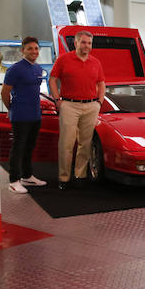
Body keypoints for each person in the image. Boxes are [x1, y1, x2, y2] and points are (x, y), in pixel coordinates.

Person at [49, 30, 105, 190]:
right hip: (69, 105)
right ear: (76, 43)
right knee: (66, 143)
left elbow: (101, 83)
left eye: (89, 43)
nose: (86, 45)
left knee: (85, 144)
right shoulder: (64, 59)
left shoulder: (96, 62)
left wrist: (99, 102)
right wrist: (57, 100)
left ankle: (80, 175)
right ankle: (64, 178)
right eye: (83, 42)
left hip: (91, 106)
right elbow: (52, 80)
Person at [1, 36, 48, 193]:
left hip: (35, 114)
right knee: (18, 147)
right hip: (20, 115)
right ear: (23, 51)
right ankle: (14, 180)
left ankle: (27, 176)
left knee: (29, 147)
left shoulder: (37, 68)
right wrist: (11, 109)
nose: (34, 51)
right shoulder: (15, 69)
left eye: (36, 48)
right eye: (30, 49)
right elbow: (4, 92)